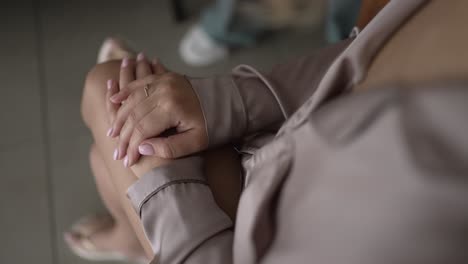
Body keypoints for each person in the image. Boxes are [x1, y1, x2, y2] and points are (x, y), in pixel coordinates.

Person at [69, 0, 468, 263]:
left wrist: (166, 188)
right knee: (110, 145)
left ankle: (137, 239)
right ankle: (132, 234)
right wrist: (232, 100)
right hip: (281, 152)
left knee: (104, 93)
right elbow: (362, 52)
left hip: (254, 244)